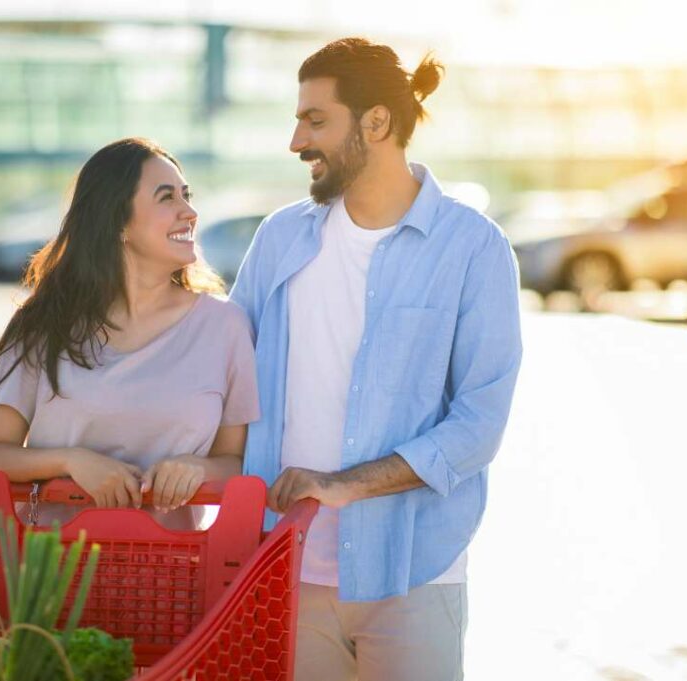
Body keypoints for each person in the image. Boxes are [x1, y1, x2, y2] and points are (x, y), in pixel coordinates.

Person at [230, 38, 523, 680]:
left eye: (315, 120)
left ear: (377, 122)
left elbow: (479, 425)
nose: (296, 141)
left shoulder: (473, 249)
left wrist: (342, 486)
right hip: (285, 564)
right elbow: (222, 374)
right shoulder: (280, 238)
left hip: (415, 573)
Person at [0, 138, 259, 529]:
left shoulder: (226, 326)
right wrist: (70, 460)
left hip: (171, 577)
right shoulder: (44, 323)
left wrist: (197, 467)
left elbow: (237, 463)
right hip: (51, 573)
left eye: (186, 196)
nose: (189, 212)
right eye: (166, 197)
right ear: (118, 221)